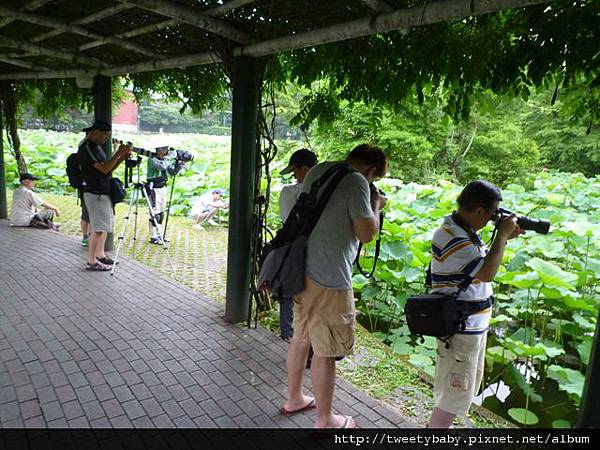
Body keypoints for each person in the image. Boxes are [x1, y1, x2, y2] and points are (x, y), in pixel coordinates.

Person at [281, 143, 387, 430]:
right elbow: (366, 234)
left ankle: (294, 398)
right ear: (372, 171)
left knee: (301, 337)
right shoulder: (356, 181)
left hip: (301, 269)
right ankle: (325, 420)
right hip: (330, 277)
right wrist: (376, 205)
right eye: (374, 178)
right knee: (326, 350)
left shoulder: (319, 170)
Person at [427, 180, 524, 428]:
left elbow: (479, 265)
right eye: (492, 213)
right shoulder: (454, 238)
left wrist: (503, 238)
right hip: (461, 329)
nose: (493, 219)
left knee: (460, 385)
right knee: (455, 389)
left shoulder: (462, 231)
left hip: (470, 327)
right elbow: (487, 272)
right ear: (480, 211)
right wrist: (501, 235)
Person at [78, 119, 132, 271]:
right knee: (98, 229)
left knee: (104, 227)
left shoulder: (96, 147)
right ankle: (91, 261)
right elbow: (104, 169)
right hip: (95, 193)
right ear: (95, 132)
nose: (106, 138)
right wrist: (118, 153)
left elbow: (108, 168)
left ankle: (100, 255)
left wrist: (121, 158)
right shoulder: (86, 148)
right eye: (105, 135)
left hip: (103, 191)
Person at [278, 148, 318, 342]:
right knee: (291, 287)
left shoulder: (293, 192)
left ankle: (293, 331)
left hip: (300, 248)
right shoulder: (291, 191)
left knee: (293, 286)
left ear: (305, 169)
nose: (294, 175)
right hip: (298, 246)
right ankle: (288, 331)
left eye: (295, 170)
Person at [146, 146, 184, 244]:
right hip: (154, 188)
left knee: (161, 213)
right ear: (158, 149)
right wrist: (171, 157)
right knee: (155, 214)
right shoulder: (152, 159)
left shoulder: (165, 160)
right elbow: (162, 166)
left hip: (163, 187)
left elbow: (173, 172)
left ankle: (160, 235)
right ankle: (153, 236)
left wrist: (181, 163)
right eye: (165, 149)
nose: (167, 150)